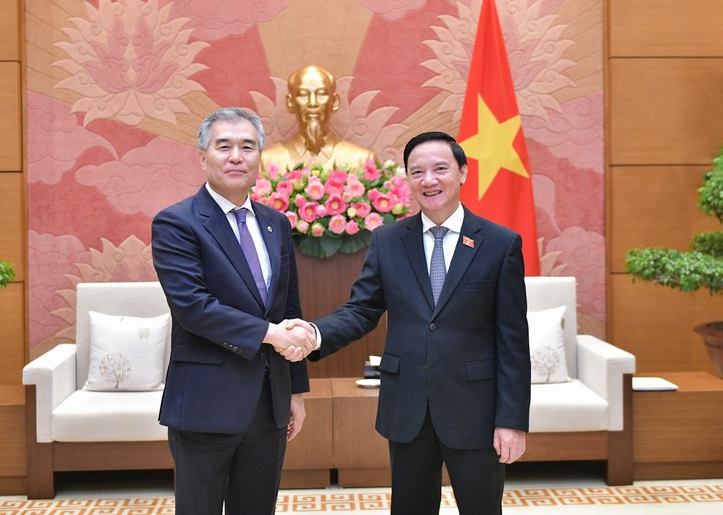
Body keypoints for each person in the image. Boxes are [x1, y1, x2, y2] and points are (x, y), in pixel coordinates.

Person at [294, 131, 531, 515]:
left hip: (475, 409)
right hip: (408, 408)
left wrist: (512, 420)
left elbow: (513, 341)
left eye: (440, 169)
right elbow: (362, 310)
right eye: (417, 171)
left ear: (463, 173)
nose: (429, 180)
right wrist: (315, 333)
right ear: (407, 179)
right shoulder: (388, 241)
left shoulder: (499, 243)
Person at [151, 107, 317, 515]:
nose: (236, 156)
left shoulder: (276, 223)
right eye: (223, 146)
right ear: (202, 156)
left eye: (248, 146)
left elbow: (288, 308)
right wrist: (273, 334)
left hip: (269, 403)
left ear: (261, 156)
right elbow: (194, 307)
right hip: (206, 402)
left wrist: (295, 391)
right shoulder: (177, 223)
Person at [260, 65, 377, 170]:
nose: (312, 103)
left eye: (321, 94)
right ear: (290, 103)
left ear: (334, 102)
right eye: (303, 95)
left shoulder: (362, 161)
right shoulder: (267, 162)